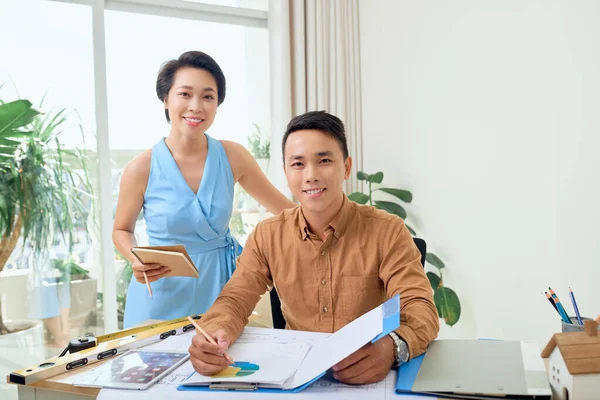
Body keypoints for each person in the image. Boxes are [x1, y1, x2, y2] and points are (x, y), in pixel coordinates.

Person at [188, 111, 439, 385]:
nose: (311, 176)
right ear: (286, 173)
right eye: (298, 164)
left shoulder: (387, 230)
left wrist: (392, 347)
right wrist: (216, 334)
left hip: (368, 376)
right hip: (296, 376)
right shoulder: (267, 235)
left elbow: (419, 307)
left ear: (346, 167)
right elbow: (235, 300)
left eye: (324, 161)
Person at [113, 51, 295, 328]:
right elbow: (121, 230)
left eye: (208, 97)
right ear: (165, 99)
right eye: (185, 94)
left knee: (229, 367)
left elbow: (288, 213)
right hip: (161, 290)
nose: (196, 106)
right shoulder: (141, 168)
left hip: (224, 290)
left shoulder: (233, 156)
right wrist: (135, 259)